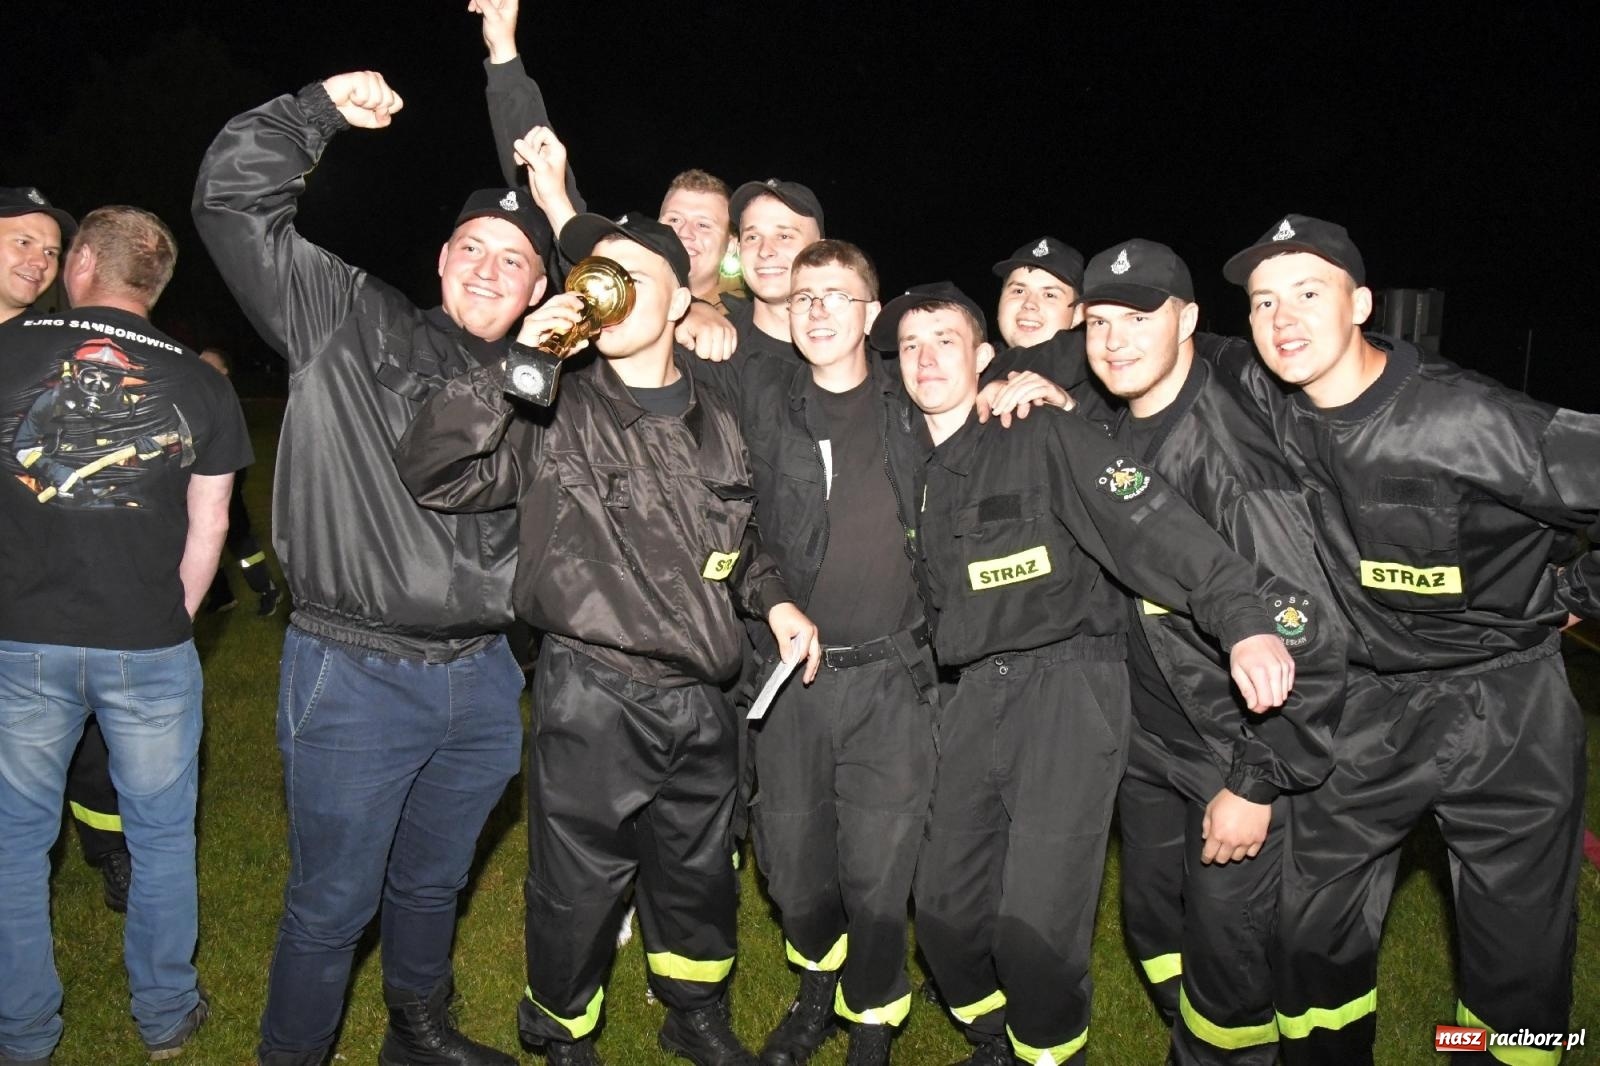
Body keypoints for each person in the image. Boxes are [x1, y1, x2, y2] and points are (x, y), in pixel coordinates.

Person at [395, 210, 820, 1066]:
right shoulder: (556, 408)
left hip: (704, 694)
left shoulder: (717, 413)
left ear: (678, 304)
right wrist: (521, 363)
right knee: (576, 883)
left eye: (630, 277)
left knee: (698, 872)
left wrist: (773, 599)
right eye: (596, 274)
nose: (606, 291)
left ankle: (693, 1011)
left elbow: (737, 540)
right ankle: (562, 1031)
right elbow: (435, 471)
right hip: (596, 693)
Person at [195, 71, 544, 1066]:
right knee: (332, 906)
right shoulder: (348, 318)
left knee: (433, 882)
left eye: (513, 259)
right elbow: (230, 202)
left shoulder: (546, 383)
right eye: (471, 247)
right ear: (441, 259)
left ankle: (417, 1033)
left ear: (538, 290)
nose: (487, 270)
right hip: (355, 672)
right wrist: (312, 112)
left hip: (484, 678)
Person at [876, 282, 1296, 1066]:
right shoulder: (912, 462)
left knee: (1035, 929)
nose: (926, 358)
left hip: (1067, 691)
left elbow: (1153, 525)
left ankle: (1045, 1050)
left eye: (945, 340)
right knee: (942, 911)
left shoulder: (1042, 432)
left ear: (984, 356)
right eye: (910, 346)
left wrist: (1242, 618)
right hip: (970, 697)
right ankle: (993, 1035)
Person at [1219, 214, 1598, 1065]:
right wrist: (1034, 375)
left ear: (1361, 304)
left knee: (1519, 940)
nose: (1282, 319)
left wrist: (1575, 594)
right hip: (1368, 700)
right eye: (1263, 301)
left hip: (1505, 702)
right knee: (1310, 925)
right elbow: (1157, 347)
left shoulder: (1466, 417)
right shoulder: (1266, 397)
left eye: (1308, 293)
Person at [1077, 239, 1346, 1064]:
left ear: (1189, 320)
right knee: (1153, 920)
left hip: (1228, 751)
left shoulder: (1230, 455)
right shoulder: (1111, 427)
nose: (1115, 340)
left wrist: (1255, 784)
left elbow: (1305, 632)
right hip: (1147, 738)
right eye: (1099, 321)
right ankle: (1183, 1026)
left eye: (1139, 318)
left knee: (1231, 958)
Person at [0, 205, 251, 1063]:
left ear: (80, 262)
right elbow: (212, 524)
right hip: (147, 641)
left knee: (14, 845)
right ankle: (167, 1013)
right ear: (156, 283)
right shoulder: (202, 381)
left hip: (20, 638)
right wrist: (173, 618)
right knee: (161, 836)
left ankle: (22, 1031)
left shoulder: (8, 349)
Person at [694, 239, 935, 1066]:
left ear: (872, 314)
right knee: (792, 864)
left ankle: (871, 1019)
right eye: (804, 297)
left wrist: (1025, 380)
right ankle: (816, 989)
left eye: (837, 295)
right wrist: (773, 599)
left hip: (894, 679)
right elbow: (730, 522)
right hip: (792, 678)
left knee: (879, 866)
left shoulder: (918, 398)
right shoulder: (762, 401)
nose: (819, 310)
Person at [0, 186, 133, 913]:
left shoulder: (61, 350)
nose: (39, 260)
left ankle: (110, 849)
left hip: (51, 587)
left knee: (87, 737)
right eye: (23, 240)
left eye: (51, 251)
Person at [197, 346, 283, 616]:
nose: (200, 369)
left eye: (208, 365)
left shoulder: (226, 401)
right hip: (196, 483)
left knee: (239, 539)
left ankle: (267, 589)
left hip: (225, 481)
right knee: (198, 540)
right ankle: (221, 595)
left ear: (224, 373)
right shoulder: (196, 397)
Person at [659, 169, 739, 313]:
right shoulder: (622, 297)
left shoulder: (746, 320)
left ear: (730, 247)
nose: (684, 233)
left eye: (703, 225)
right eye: (674, 220)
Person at [991, 237, 1084, 350]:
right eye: (1019, 291)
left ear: (1077, 314)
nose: (1029, 304)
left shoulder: (1100, 360)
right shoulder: (976, 360)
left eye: (1049, 295)